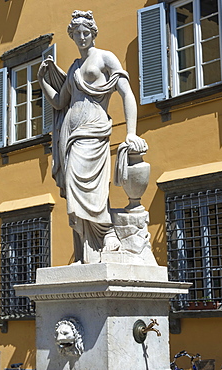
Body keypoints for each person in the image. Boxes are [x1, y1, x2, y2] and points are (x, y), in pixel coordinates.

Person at [38, 10, 147, 263]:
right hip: (71, 136)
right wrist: (42, 80)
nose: (82, 37)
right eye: (77, 34)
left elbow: (127, 94)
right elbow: (59, 102)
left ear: (93, 33)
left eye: (86, 33)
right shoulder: (75, 67)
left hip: (94, 132)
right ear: (72, 37)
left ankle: (107, 234)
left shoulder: (105, 58)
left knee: (94, 189)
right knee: (76, 191)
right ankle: (88, 250)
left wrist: (131, 132)